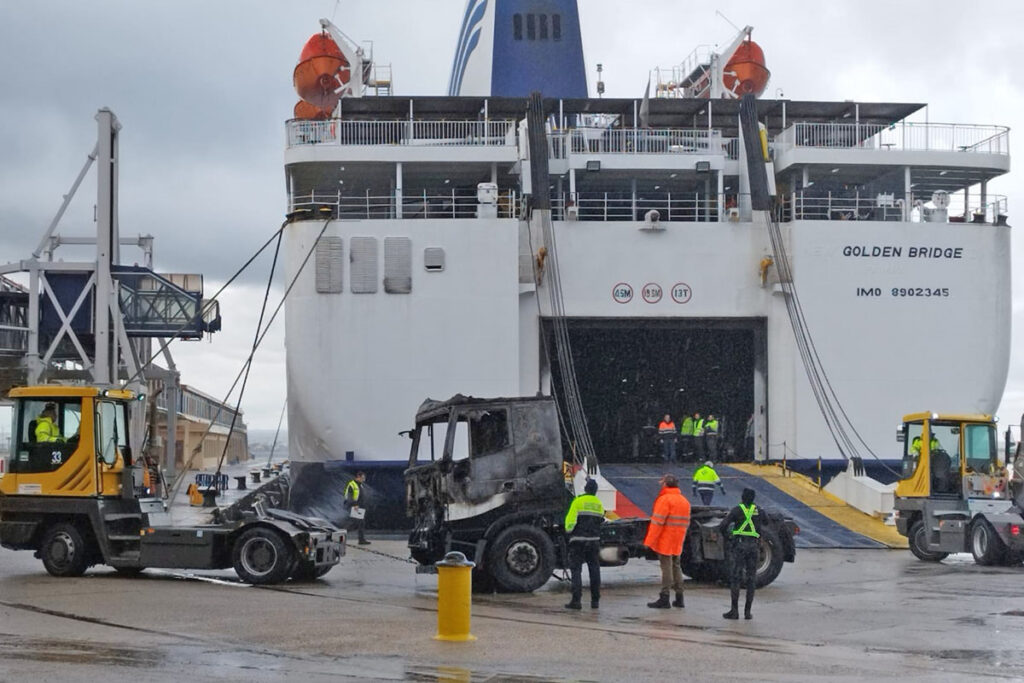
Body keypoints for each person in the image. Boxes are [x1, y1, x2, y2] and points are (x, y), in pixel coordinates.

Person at [643, 473, 691, 609]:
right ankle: (679, 597)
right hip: (678, 538)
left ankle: (664, 597)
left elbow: (657, 523)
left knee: (666, 568)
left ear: (666, 484)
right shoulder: (684, 501)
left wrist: (649, 542)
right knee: (676, 566)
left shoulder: (664, 500)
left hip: (666, 539)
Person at [719, 487, 763, 620]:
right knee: (751, 579)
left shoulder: (737, 510)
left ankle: (734, 611)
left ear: (742, 498)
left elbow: (723, 526)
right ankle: (748, 612)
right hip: (754, 547)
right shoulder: (759, 511)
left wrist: (729, 537)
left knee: (736, 578)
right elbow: (766, 521)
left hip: (740, 546)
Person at [563, 478, 605, 610]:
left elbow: (570, 521)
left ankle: (576, 601)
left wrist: (568, 532)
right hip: (593, 541)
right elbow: (601, 521)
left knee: (576, 570)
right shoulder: (599, 504)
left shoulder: (578, 501)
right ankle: (595, 601)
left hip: (578, 541)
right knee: (594, 569)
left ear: (586, 489)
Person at [344, 471, 370, 545]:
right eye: (362, 478)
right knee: (354, 523)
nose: (363, 480)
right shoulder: (352, 485)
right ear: (358, 477)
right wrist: (355, 504)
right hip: (355, 506)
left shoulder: (360, 485)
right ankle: (341, 533)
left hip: (360, 506)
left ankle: (361, 539)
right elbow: (350, 496)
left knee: (360, 523)